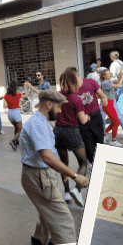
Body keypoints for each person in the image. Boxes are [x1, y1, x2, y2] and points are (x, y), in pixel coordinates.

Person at [19, 89, 88, 245]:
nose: (60, 110)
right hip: (39, 176)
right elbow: (47, 157)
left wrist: (60, 169)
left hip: (40, 175)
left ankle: (38, 239)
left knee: (47, 212)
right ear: (48, 104)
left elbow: (49, 154)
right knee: (63, 220)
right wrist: (75, 175)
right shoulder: (38, 124)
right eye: (58, 106)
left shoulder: (41, 121)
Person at [54, 69, 90, 207]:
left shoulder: (57, 95)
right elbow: (82, 120)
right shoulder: (76, 99)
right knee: (83, 163)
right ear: (73, 82)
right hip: (71, 132)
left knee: (64, 164)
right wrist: (87, 117)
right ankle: (77, 189)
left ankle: (67, 192)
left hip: (57, 131)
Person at [99, 68, 123, 146]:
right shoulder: (105, 83)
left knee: (115, 121)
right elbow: (118, 85)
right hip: (107, 104)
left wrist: (121, 76)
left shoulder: (109, 81)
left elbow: (117, 81)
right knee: (116, 122)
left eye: (110, 73)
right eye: (108, 74)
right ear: (104, 76)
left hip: (110, 103)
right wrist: (121, 77)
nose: (110, 74)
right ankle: (113, 141)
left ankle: (104, 134)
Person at [3, 81, 25, 150]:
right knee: (20, 129)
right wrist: (25, 88)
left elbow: (5, 106)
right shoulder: (18, 95)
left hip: (10, 113)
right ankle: (13, 140)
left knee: (16, 127)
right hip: (16, 112)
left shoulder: (6, 96)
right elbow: (26, 95)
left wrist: (16, 105)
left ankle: (17, 142)